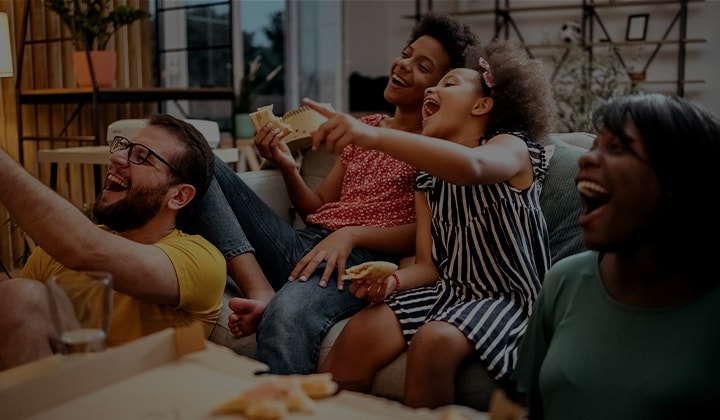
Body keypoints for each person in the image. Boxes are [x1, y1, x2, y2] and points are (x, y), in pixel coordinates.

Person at [179, 11, 478, 374]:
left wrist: (350, 236)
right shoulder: (365, 126)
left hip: (353, 262)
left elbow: (422, 237)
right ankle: (260, 289)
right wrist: (287, 165)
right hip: (304, 243)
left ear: (440, 88)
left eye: (424, 66)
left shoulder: (434, 149)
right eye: (407, 52)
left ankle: (278, 388)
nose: (403, 65)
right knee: (196, 157)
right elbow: (317, 207)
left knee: (287, 315)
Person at [308, 38, 557, 409]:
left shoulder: (513, 148)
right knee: (363, 329)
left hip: (511, 297)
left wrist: (374, 136)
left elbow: (471, 168)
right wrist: (392, 281)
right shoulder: (426, 180)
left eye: (449, 83)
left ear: (483, 104)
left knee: (433, 340)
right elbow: (428, 266)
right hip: (449, 291)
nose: (432, 89)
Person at [495, 94, 720, 419]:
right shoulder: (563, 281)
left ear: (678, 178)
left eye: (616, 148)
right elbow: (518, 406)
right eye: (594, 147)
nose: (587, 159)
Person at [0, 114, 226, 371]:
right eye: (124, 147)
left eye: (141, 156)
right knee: (17, 295)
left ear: (179, 196)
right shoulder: (50, 256)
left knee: (19, 294)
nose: (116, 158)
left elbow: (84, 249)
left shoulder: (201, 259)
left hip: (145, 402)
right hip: (54, 397)